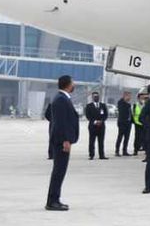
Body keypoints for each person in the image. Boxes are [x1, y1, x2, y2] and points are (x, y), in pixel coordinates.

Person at [45, 75, 79, 211]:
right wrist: (66, 139)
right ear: (68, 85)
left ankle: (55, 199)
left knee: (60, 171)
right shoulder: (60, 100)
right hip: (61, 142)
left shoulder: (63, 98)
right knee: (58, 172)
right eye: (73, 82)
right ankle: (52, 201)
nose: (74, 84)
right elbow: (60, 123)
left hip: (63, 140)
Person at [84, 91, 108, 160]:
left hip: (101, 126)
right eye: (94, 96)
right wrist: (95, 121)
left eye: (97, 96)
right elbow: (88, 116)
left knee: (101, 141)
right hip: (92, 126)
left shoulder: (103, 105)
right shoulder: (89, 106)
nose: (96, 97)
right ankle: (91, 155)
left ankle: (101, 155)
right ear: (92, 97)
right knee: (92, 141)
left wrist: (101, 121)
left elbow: (106, 115)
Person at [115, 91, 133, 157]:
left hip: (128, 123)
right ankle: (117, 151)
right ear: (125, 96)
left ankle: (124, 151)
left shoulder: (128, 103)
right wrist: (127, 103)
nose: (130, 97)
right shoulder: (121, 102)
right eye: (129, 96)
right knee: (120, 137)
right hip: (122, 123)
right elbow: (122, 112)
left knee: (127, 137)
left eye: (130, 96)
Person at [131, 90, 148, 157]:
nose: (142, 99)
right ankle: (136, 150)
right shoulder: (134, 105)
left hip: (145, 123)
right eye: (141, 97)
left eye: (143, 98)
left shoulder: (146, 105)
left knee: (146, 137)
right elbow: (132, 114)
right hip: (137, 124)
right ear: (138, 98)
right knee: (137, 138)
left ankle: (146, 150)